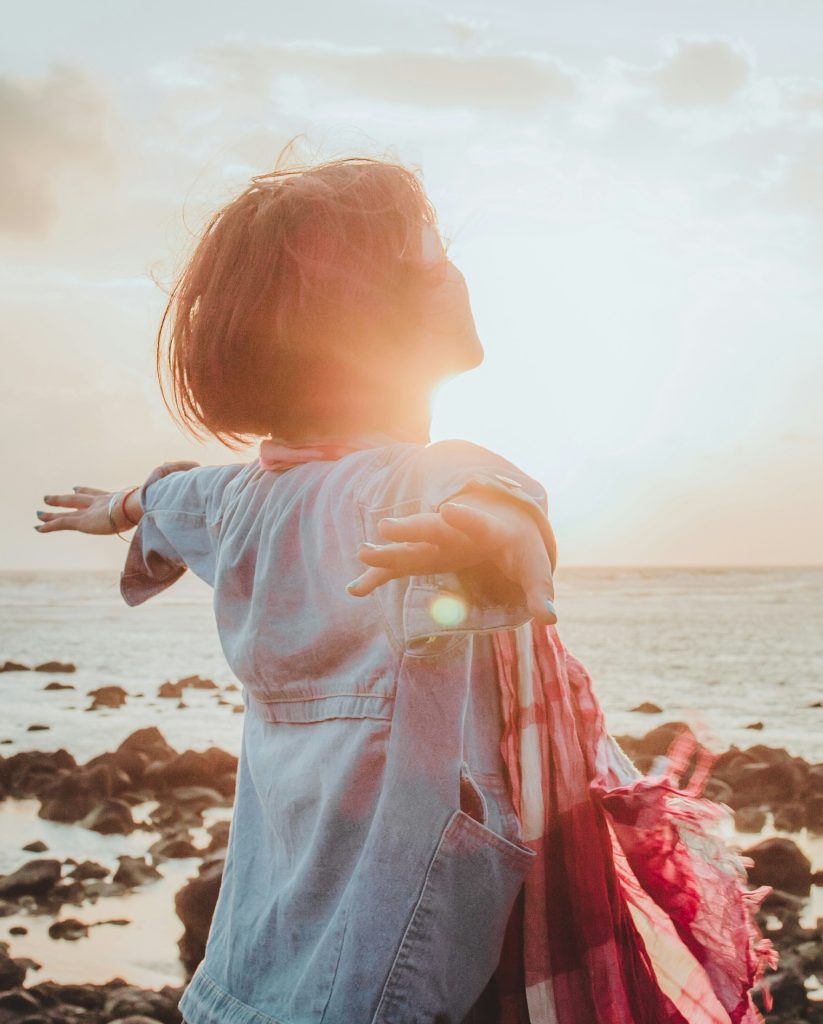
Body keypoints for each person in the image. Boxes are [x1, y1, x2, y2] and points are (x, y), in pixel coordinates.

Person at [34, 149, 566, 1023]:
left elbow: (175, 499)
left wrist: (121, 505)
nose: (457, 268)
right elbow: (492, 502)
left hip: (261, 961)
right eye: (432, 252)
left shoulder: (244, 497)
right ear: (362, 318)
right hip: (401, 960)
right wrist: (497, 543)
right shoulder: (417, 483)